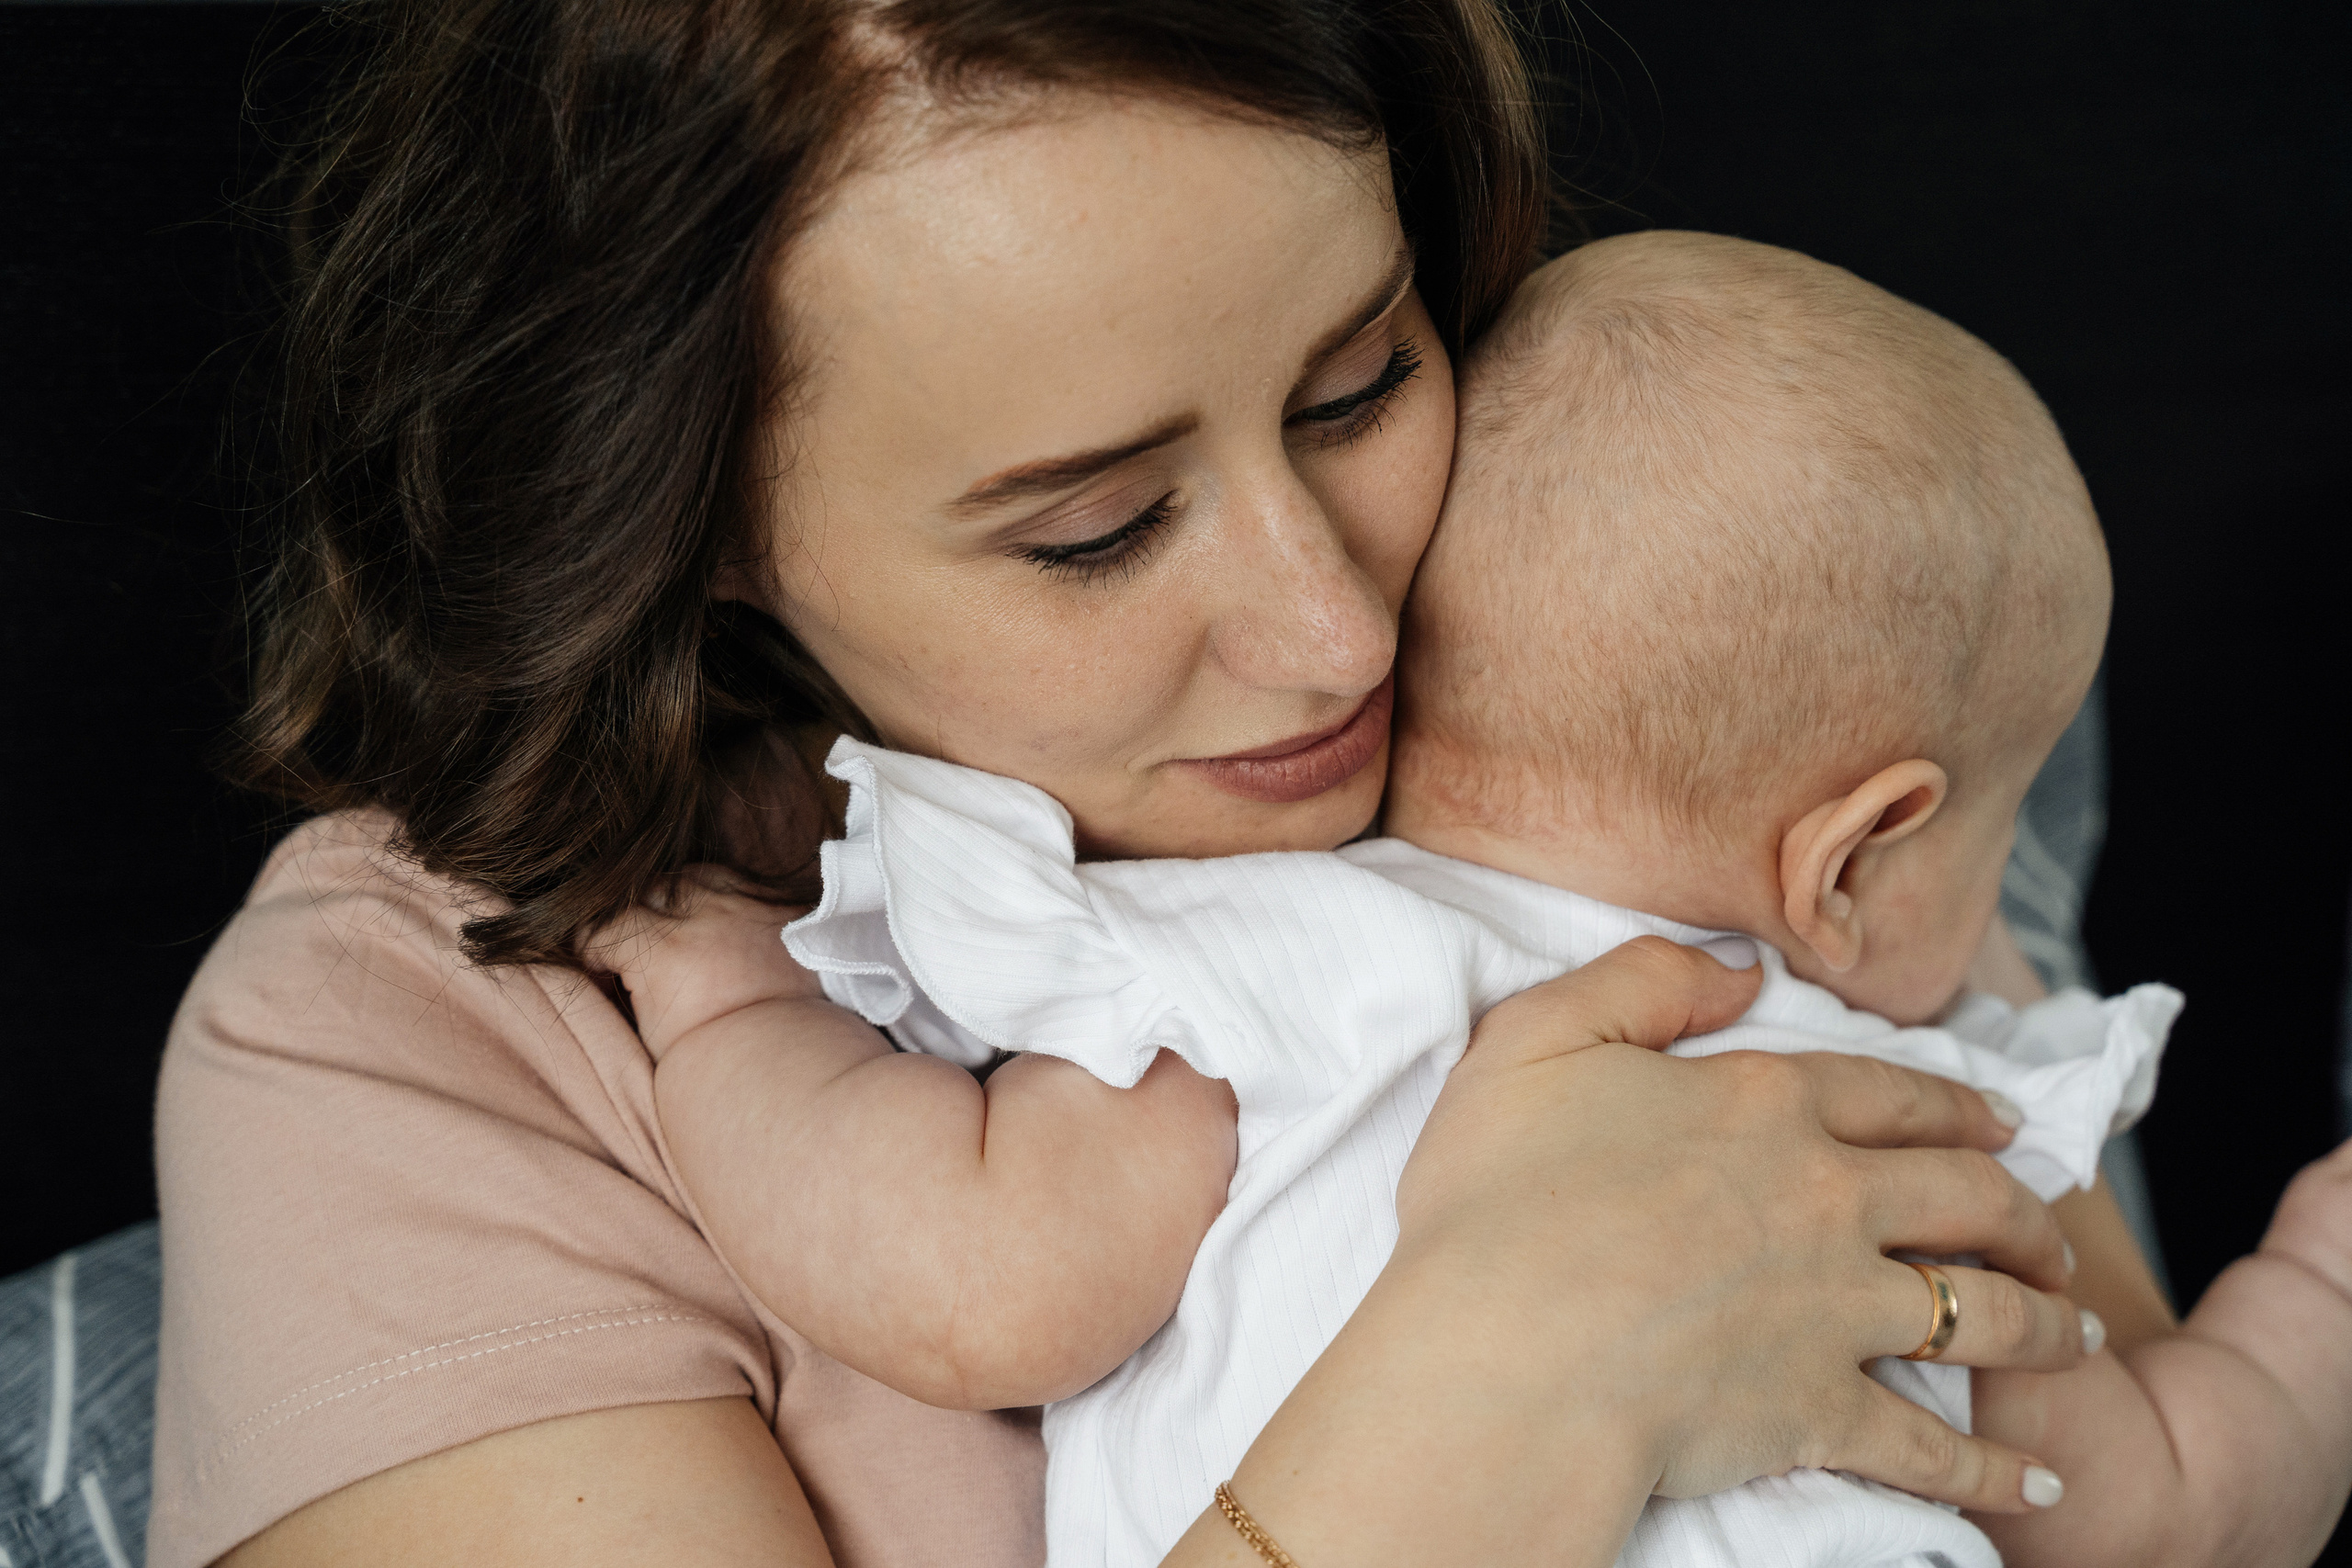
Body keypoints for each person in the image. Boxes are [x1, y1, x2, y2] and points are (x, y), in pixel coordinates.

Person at [152, 5, 2165, 1566]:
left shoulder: (1661, 699)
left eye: (1358, 385)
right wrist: (1507, 1384)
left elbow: (2129, 1467)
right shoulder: (411, 1049)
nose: (1339, 634)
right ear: (691, 523)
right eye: (1094, 528)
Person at [613, 231, 2352, 1568]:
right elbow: (2175, 1505)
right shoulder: (1903, 1132)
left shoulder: (1266, 964)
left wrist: (725, 1001)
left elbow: (983, 1285)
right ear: (1854, 857)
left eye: (1355, 393)